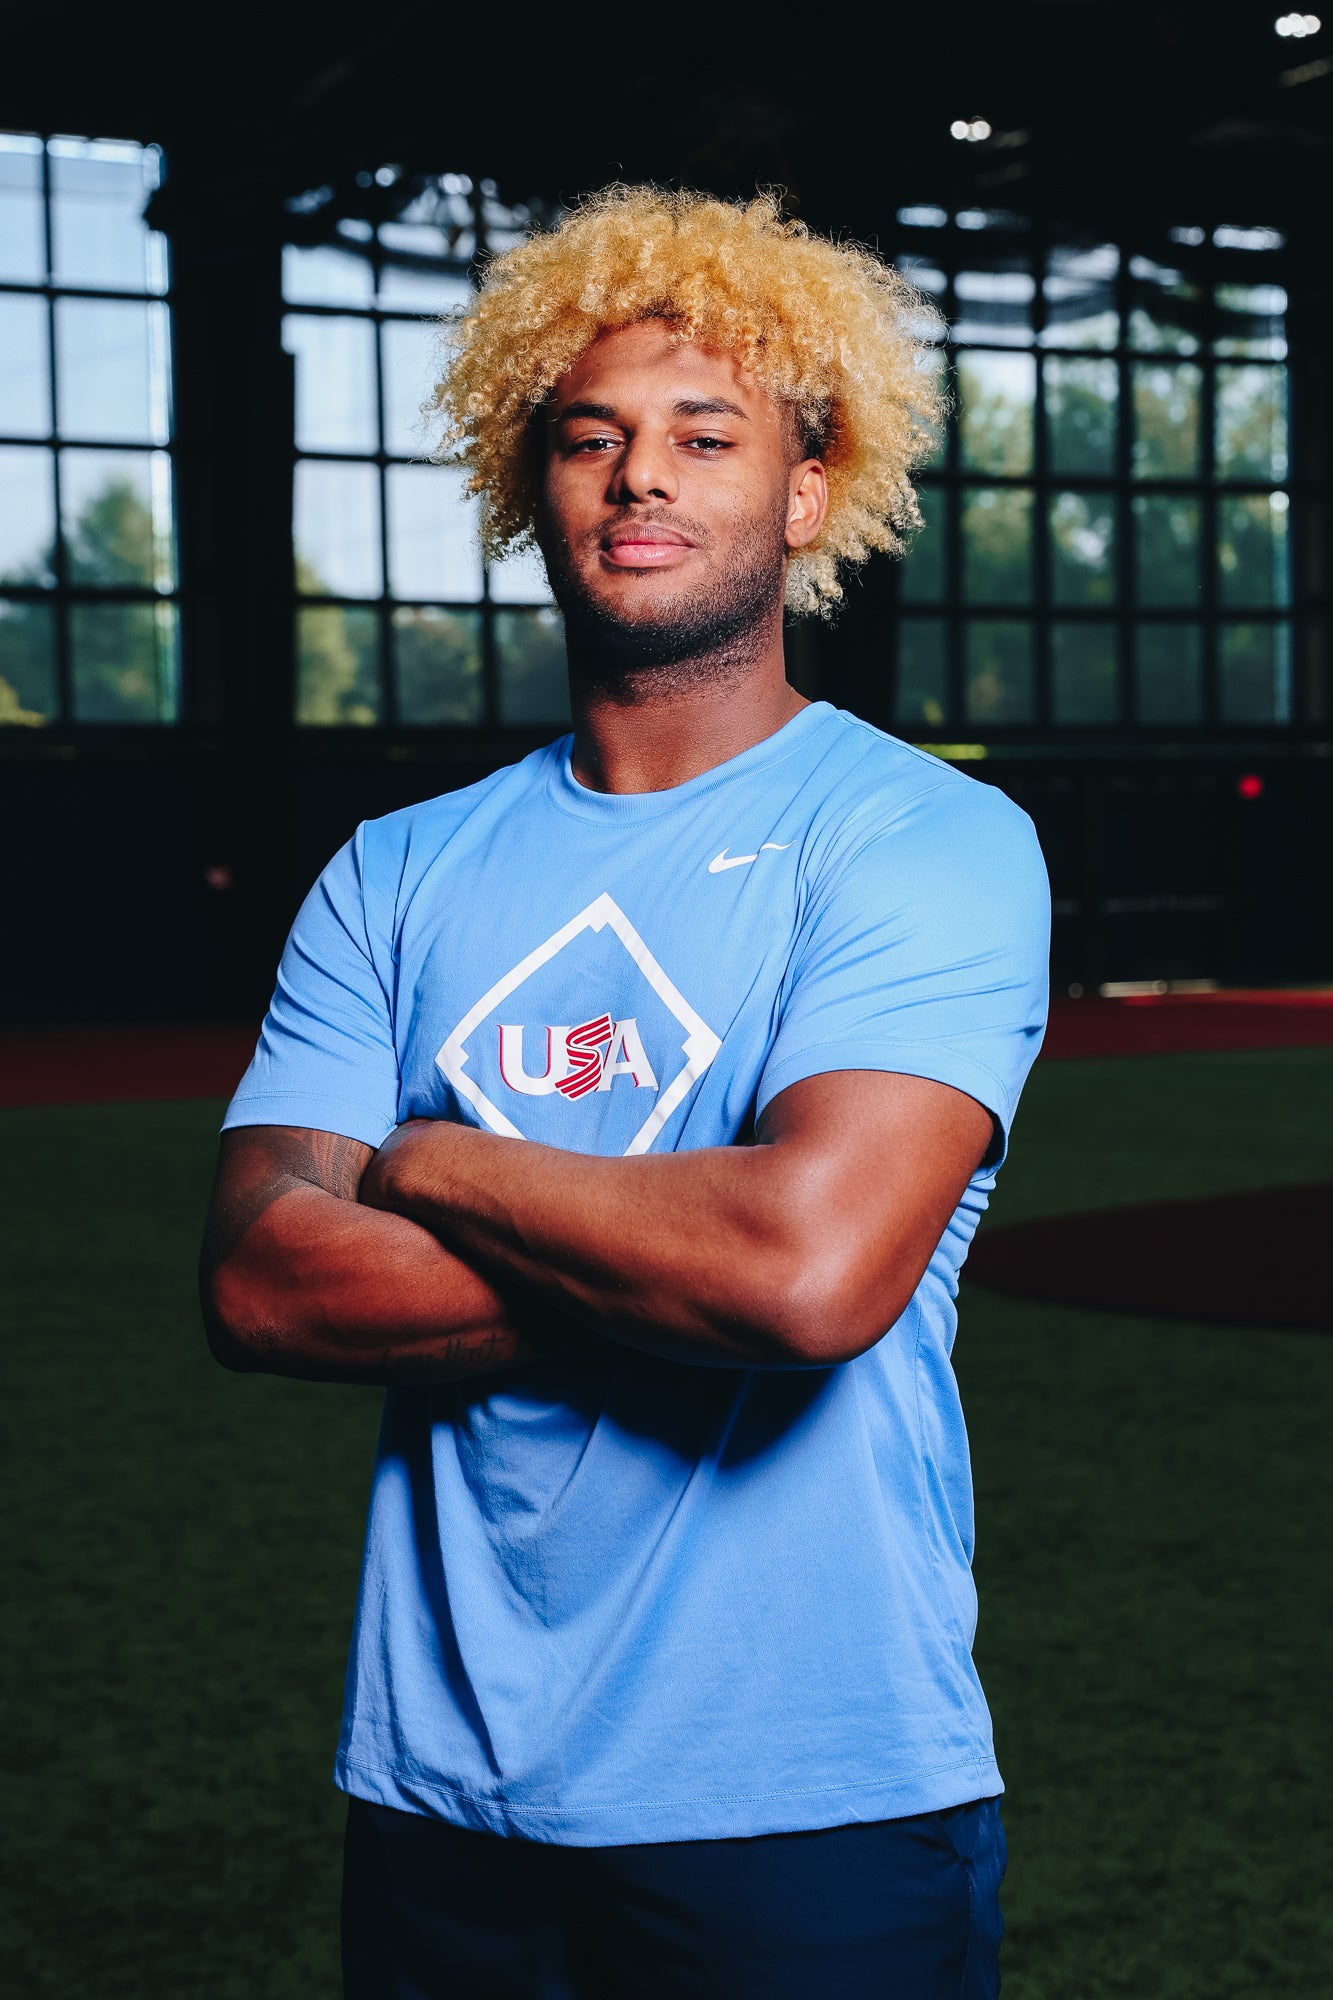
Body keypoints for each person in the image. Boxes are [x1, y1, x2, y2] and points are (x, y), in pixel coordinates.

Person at [201, 186, 1049, 1999]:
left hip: (808, 1792)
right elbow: (268, 1281)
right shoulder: (393, 869)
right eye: (590, 439)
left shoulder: (923, 838)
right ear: (536, 490)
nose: (636, 478)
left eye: (701, 435)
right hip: (443, 1794)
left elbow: (805, 1276)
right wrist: (686, 1249)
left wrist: (430, 1161)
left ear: (809, 491)